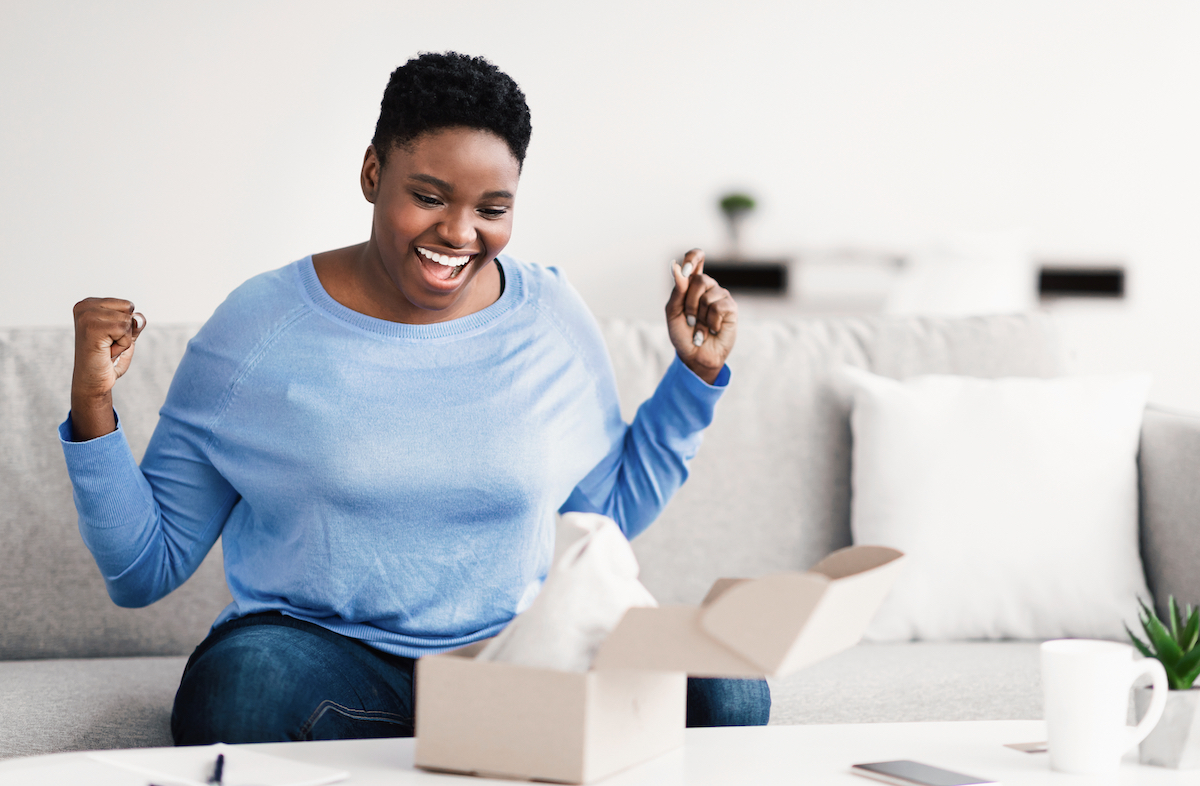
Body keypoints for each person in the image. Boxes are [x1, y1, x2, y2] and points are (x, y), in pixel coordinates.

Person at [61, 51, 769, 744]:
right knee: (242, 694)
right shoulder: (257, 327)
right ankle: (480, 743)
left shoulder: (551, 314)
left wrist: (694, 378)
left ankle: (488, 731)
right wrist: (94, 408)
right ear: (373, 173)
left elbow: (605, 513)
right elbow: (144, 567)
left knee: (730, 685)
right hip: (326, 658)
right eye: (428, 197)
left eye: (492, 208)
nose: (459, 234)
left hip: (514, 658)